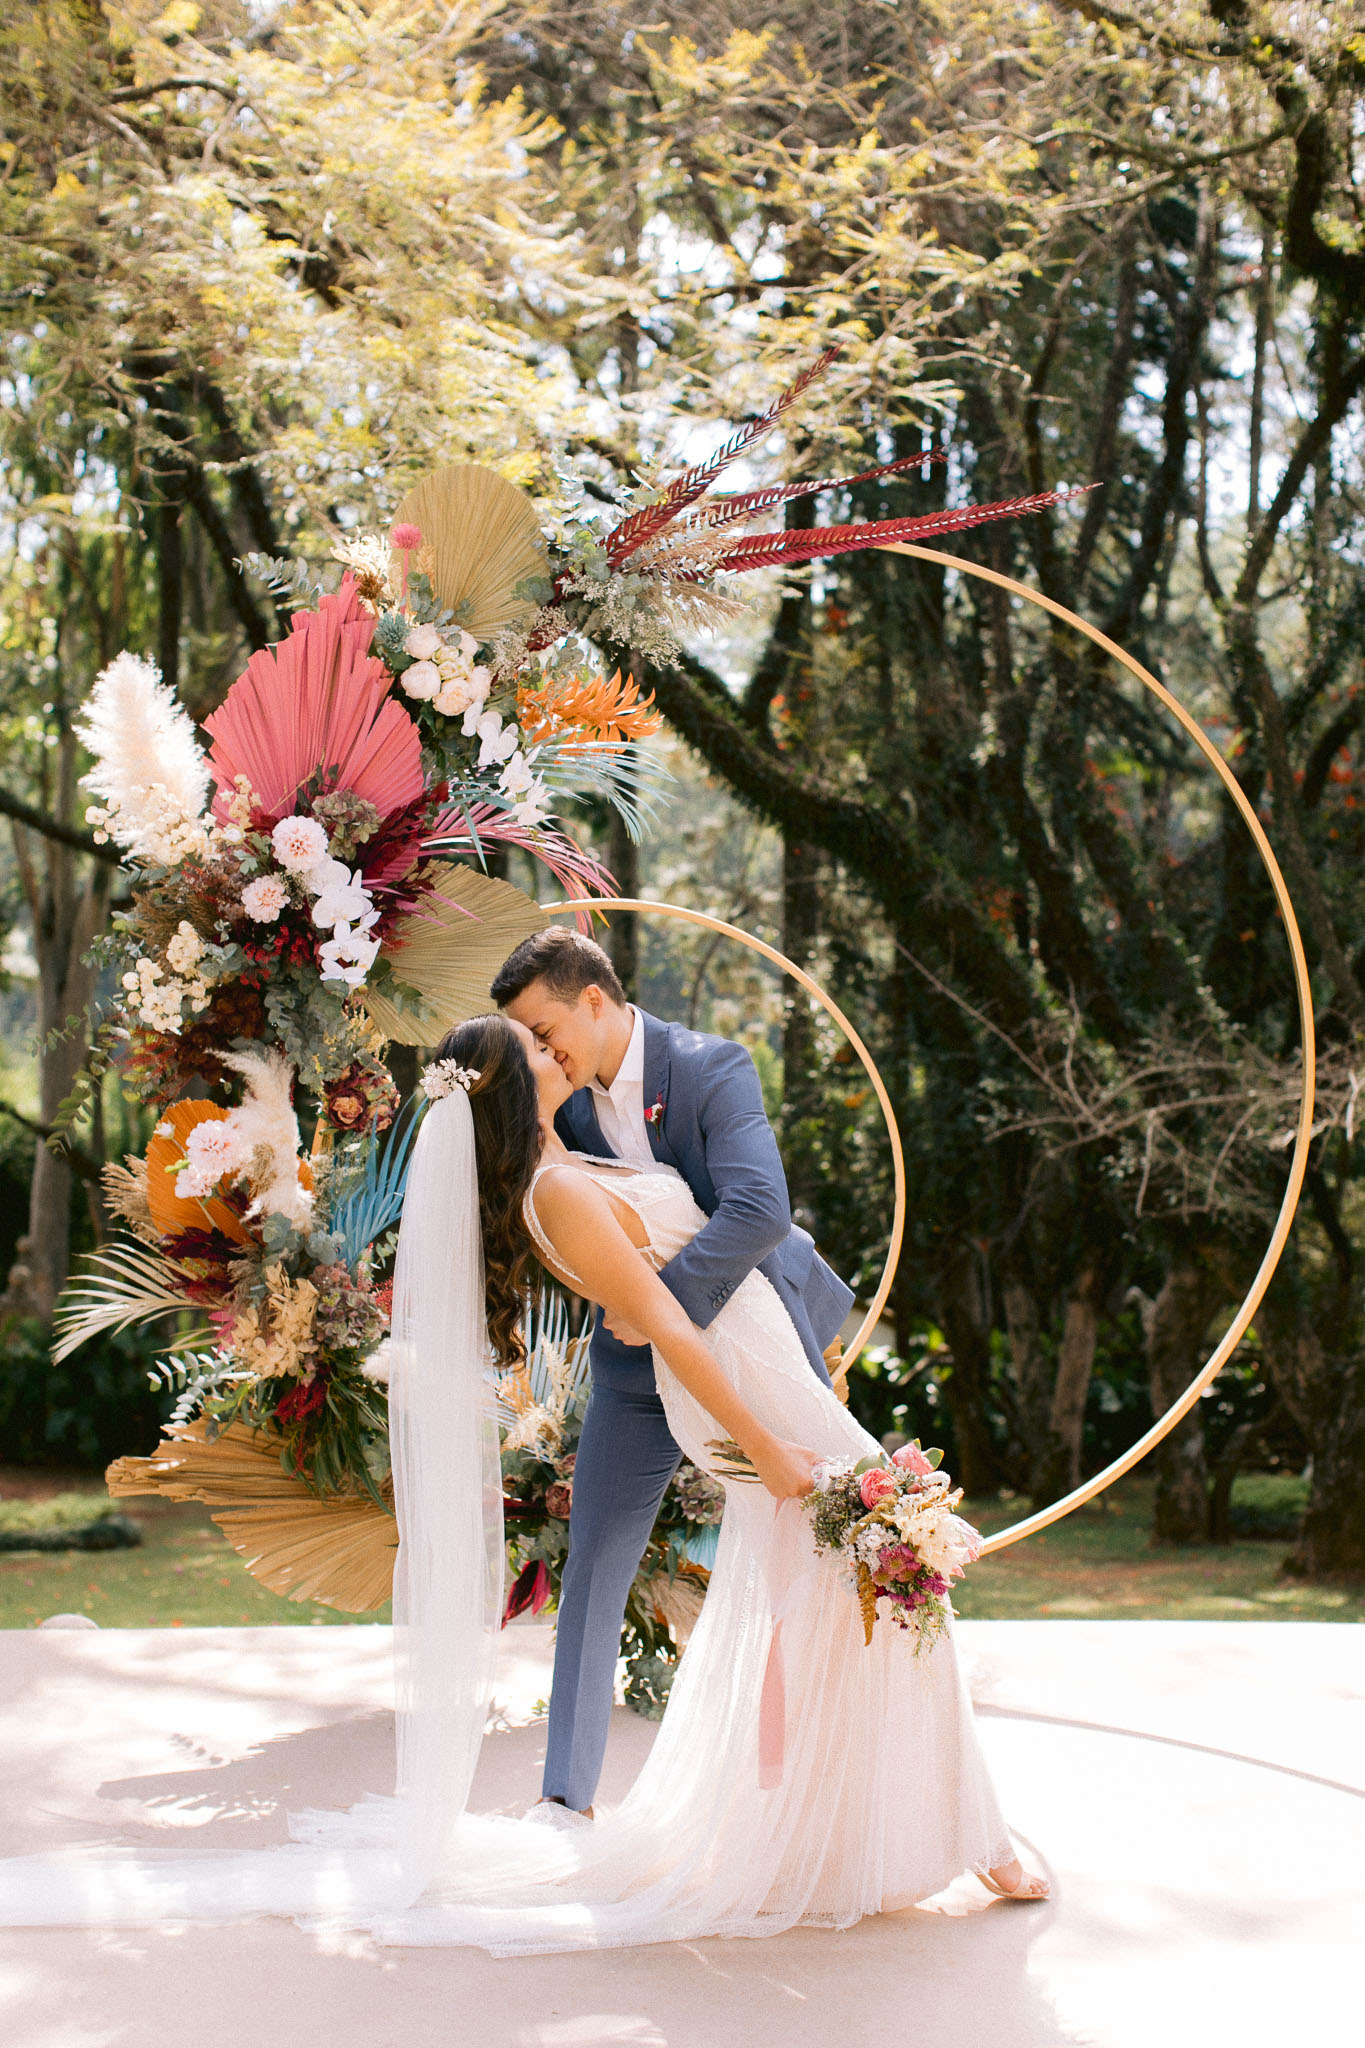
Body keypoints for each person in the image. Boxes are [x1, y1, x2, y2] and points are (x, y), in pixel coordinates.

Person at [0, 1012, 1046, 1948]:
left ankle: (863, 1826)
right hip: (747, 1394)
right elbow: (672, 1326)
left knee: (853, 1595)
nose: (558, 1052)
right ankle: (979, 1831)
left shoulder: (566, 1165)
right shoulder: (557, 1194)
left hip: (767, 1372)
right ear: (510, 1088)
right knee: (894, 1574)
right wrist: (763, 1445)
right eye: (537, 1050)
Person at [490, 929, 853, 1819]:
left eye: (544, 1032)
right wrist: (643, 1323)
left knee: (822, 1543)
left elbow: (761, 1209)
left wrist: (659, 1304)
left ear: (595, 1001)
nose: (540, 1054)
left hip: (757, 1333)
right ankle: (564, 1799)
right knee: (594, 1566)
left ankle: (819, 1783)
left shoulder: (708, 1066)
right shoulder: (557, 1105)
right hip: (631, 1366)